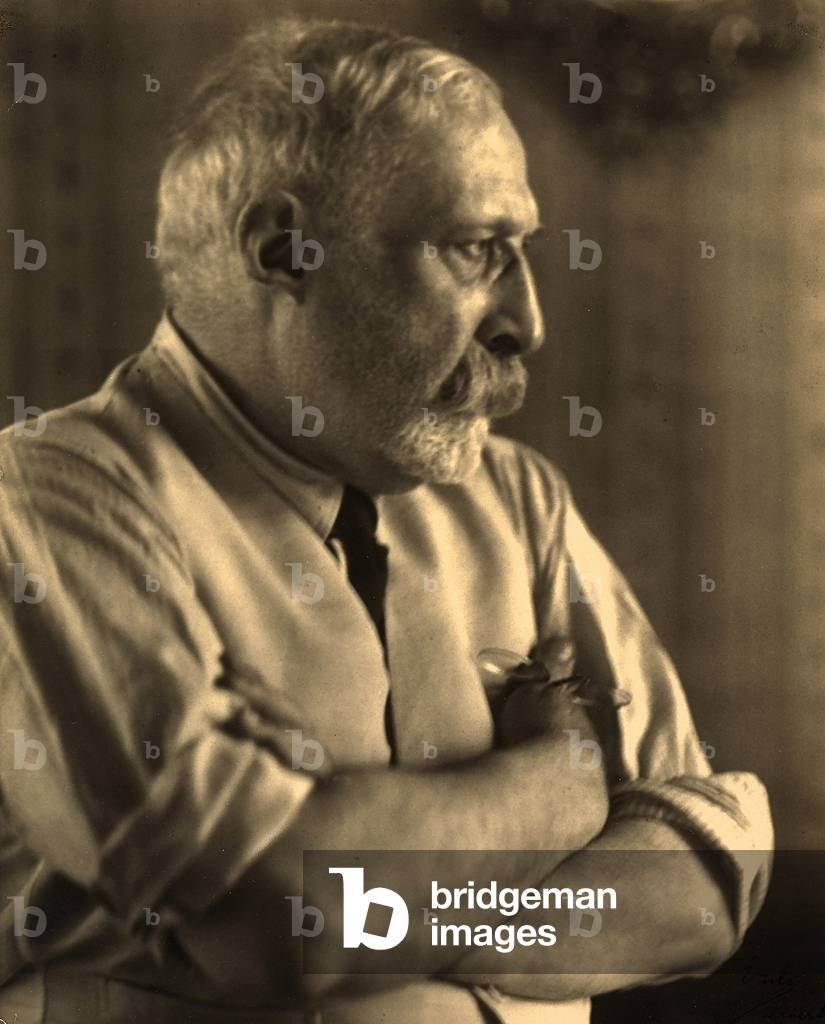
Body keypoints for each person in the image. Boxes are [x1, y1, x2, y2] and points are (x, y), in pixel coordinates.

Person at [0, 18, 772, 1024]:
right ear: (284, 250)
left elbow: (717, 876)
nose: (526, 321)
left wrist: (419, 910)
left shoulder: (518, 498)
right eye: (476, 250)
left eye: (521, 253)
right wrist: (561, 781)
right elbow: (275, 923)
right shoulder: (50, 499)